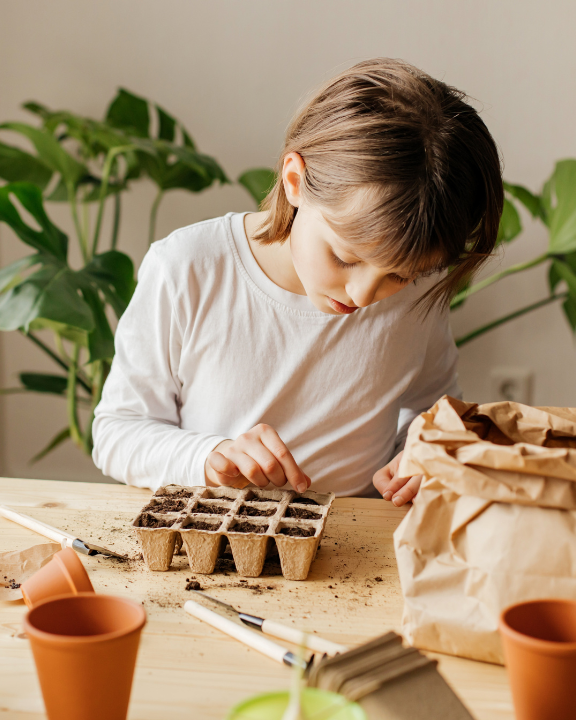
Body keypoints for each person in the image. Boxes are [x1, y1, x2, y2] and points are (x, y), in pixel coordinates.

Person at [92, 58, 503, 506]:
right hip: (215, 538)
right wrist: (208, 456)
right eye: (345, 257)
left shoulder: (420, 290)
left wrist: (421, 452)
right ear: (295, 181)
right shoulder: (189, 267)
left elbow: (431, 411)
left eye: (401, 275)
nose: (365, 295)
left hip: (359, 541)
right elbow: (116, 433)